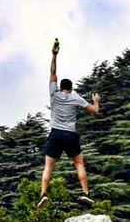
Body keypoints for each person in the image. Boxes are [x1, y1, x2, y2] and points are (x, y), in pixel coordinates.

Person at [38, 38, 100, 208]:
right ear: (71, 88)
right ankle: (86, 194)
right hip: (70, 135)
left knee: (48, 166)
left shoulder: (54, 94)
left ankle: (43, 194)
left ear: (59, 87)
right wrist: (96, 101)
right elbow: (94, 111)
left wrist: (54, 55)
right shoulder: (75, 97)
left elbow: (52, 72)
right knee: (79, 163)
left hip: (56, 133)